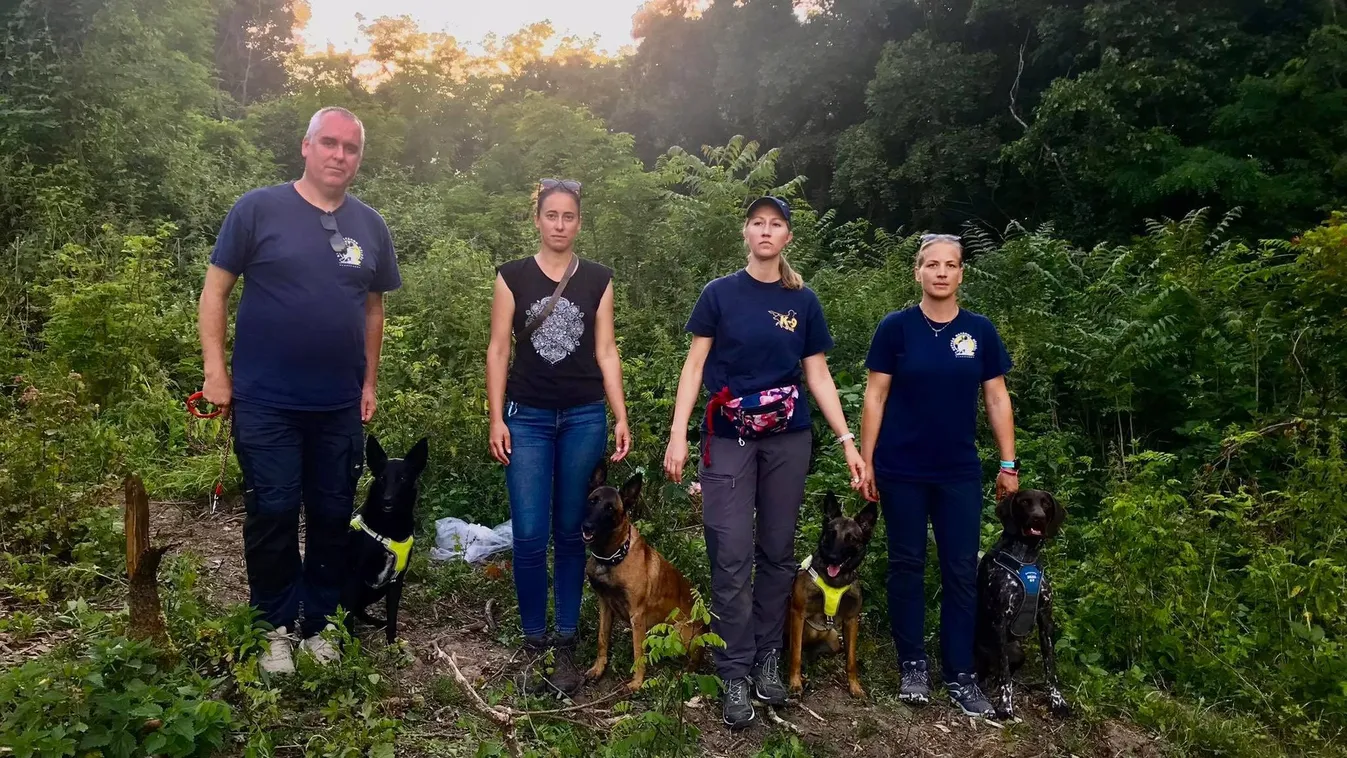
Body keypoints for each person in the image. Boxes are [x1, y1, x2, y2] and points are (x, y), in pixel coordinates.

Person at [198, 106, 402, 674]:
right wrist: (216, 372)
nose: (340, 155)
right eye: (330, 143)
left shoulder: (371, 226)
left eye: (351, 148)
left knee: (333, 514)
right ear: (306, 147)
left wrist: (369, 381)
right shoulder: (257, 209)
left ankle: (319, 624)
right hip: (266, 401)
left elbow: (374, 308)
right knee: (275, 511)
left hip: (338, 404)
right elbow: (215, 291)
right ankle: (273, 627)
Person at [663, 196, 866, 730]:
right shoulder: (719, 294)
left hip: (788, 439)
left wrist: (847, 439)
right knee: (729, 553)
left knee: (777, 553)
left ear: (788, 237)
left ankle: (768, 657)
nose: (767, 231)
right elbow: (694, 365)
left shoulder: (803, 300)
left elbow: (817, 374)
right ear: (745, 232)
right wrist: (679, 435)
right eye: (758, 223)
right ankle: (734, 670)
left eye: (776, 224)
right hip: (727, 436)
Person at [857, 233, 1018, 717]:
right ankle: (912, 666)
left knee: (960, 572)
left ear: (962, 273)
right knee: (906, 566)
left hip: (958, 472)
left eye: (951, 265)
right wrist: (866, 461)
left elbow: (995, 397)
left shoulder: (980, 331)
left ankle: (960, 674)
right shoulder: (896, 328)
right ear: (918, 272)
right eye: (932, 264)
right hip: (901, 469)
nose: (941, 272)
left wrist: (1008, 463)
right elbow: (875, 397)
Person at [486, 178, 631, 696]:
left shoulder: (598, 279)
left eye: (569, 216)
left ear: (579, 221)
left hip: (583, 416)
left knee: (573, 532)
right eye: (552, 215)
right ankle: (533, 639)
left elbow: (607, 351)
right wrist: (496, 416)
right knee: (528, 534)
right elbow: (499, 350)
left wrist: (620, 414)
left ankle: (566, 640)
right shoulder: (511, 278)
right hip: (525, 416)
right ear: (538, 219)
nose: (560, 224)